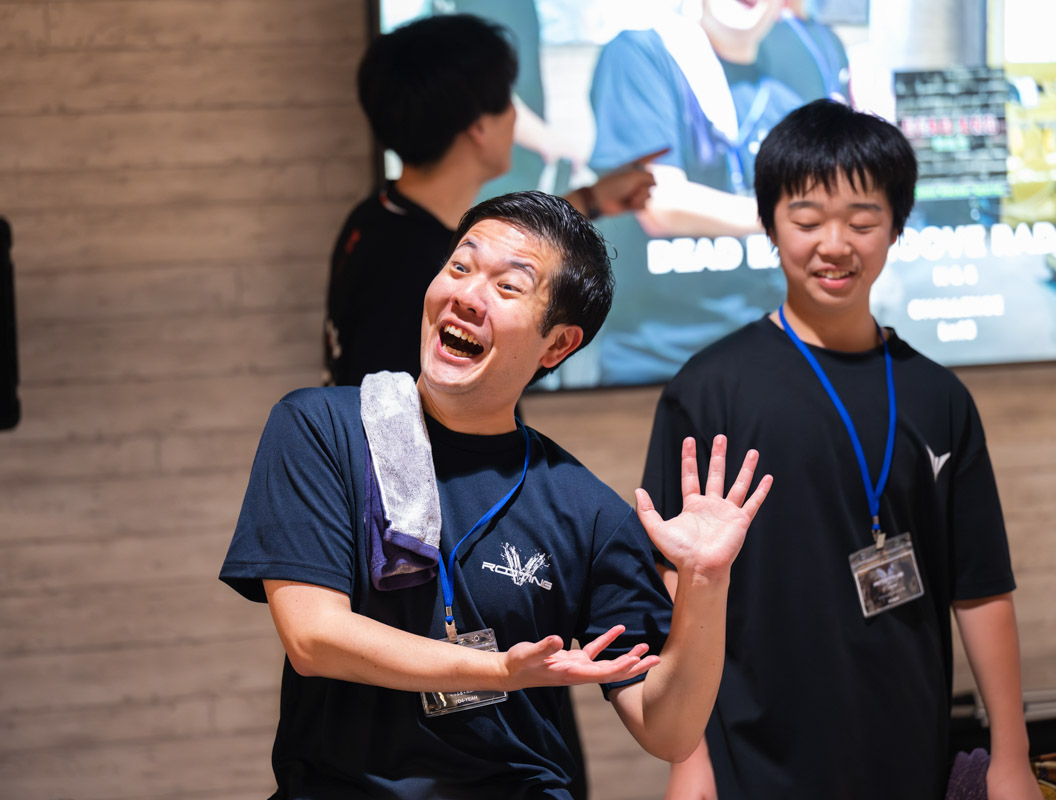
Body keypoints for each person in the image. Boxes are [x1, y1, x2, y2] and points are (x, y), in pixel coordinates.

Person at [224, 190, 773, 798]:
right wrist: (498, 670)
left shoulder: (585, 510)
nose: (465, 295)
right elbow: (313, 638)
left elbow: (666, 729)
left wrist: (706, 582)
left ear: (558, 345)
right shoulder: (324, 428)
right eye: (459, 266)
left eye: (508, 286)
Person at [641, 100, 1040, 800]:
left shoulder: (938, 397)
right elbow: (674, 580)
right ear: (769, 225)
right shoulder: (708, 389)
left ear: (897, 227)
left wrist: (1011, 754)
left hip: (907, 747)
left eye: (861, 221)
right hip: (751, 755)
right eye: (807, 221)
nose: (835, 245)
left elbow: (980, 586)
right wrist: (688, 756)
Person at [323, 13, 656, 387]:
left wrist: (591, 199)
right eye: (508, 101)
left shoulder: (377, 219)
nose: (515, 117)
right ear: (479, 127)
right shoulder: (415, 270)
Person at [586, 0, 851, 386]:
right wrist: (801, 216)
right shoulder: (644, 51)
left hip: (791, 351)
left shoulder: (811, 56)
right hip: (665, 361)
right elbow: (658, 203)